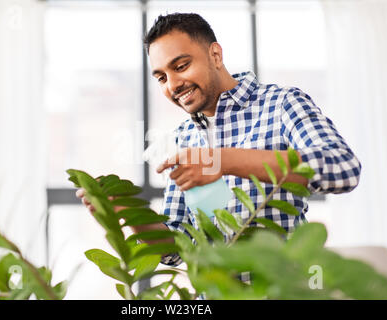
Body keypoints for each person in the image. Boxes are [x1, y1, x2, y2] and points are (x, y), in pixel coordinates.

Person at [77, 13, 361, 271]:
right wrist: (128, 214)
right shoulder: (183, 137)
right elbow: (180, 247)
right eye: (162, 77)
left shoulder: (281, 104)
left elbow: (343, 168)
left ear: (215, 55)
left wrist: (222, 161)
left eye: (181, 66)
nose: (173, 85)